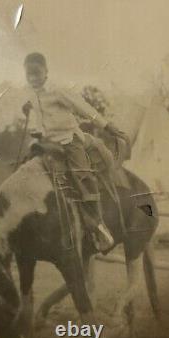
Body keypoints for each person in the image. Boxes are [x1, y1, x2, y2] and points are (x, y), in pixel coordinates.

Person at [22, 52, 122, 251]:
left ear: (46, 72)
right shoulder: (31, 93)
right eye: (29, 74)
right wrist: (31, 117)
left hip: (69, 139)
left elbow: (82, 106)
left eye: (37, 73)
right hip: (46, 141)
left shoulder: (58, 90)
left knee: (82, 175)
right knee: (26, 169)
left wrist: (106, 125)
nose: (33, 78)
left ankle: (98, 224)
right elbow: (39, 117)